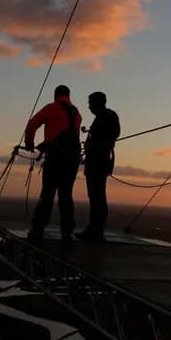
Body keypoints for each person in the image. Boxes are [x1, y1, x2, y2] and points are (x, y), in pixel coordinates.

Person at [24, 85, 82, 243]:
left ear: (56, 95)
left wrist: (29, 143)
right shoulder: (76, 114)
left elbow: (32, 125)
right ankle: (67, 233)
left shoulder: (52, 108)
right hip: (72, 159)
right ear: (68, 96)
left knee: (48, 194)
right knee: (66, 196)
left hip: (55, 158)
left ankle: (37, 231)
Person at [76, 91, 120, 243]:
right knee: (95, 197)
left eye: (90, 104)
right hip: (95, 161)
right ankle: (94, 229)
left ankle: (97, 231)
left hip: (99, 162)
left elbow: (113, 136)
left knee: (98, 197)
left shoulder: (107, 116)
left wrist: (95, 146)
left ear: (97, 103)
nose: (89, 107)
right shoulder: (104, 117)